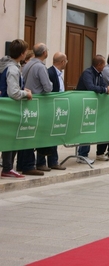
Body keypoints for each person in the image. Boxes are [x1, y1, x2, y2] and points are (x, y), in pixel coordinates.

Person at [0, 39, 32, 178]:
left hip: (4, 106)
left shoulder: (4, 64)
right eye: (25, 52)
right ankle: (7, 168)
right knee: (11, 138)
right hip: (9, 108)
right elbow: (13, 92)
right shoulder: (13, 69)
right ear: (22, 53)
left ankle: (7, 167)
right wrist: (26, 93)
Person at [20, 43, 53, 176]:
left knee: (26, 134)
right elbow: (48, 87)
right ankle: (29, 165)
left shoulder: (27, 64)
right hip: (37, 103)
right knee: (32, 135)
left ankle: (22, 163)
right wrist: (50, 83)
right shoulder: (40, 66)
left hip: (27, 102)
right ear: (44, 53)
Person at [75, 55, 109, 164]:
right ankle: (82, 154)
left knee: (89, 128)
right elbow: (91, 87)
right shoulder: (88, 73)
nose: (104, 66)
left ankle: (84, 154)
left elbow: (103, 85)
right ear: (99, 65)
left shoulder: (99, 74)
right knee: (85, 129)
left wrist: (108, 88)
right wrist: (106, 90)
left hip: (93, 106)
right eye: (103, 64)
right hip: (83, 105)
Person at [36, 52, 69, 171]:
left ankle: (53, 161)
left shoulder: (59, 74)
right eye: (66, 60)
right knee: (45, 135)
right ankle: (41, 161)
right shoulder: (49, 72)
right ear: (62, 62)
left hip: (58, 108)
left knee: (55, 134)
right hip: (49, 108)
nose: (67, 63)